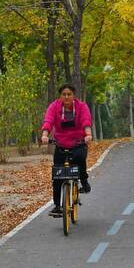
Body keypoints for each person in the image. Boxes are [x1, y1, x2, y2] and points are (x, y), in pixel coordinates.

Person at [41, 84, 93, 217]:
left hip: (78, 142)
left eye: (69, 94)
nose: (66, 96)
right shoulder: (54, 107)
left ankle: (84, 181)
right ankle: (58, 205)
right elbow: (48, 120)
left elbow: (86, 120)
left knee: (80, 160)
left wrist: (88, 134)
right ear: (60, 96)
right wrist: (45, 135)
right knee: (58, 175)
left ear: (73, 95)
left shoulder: (81, 107)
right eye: (64, 94)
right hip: (61, 143)